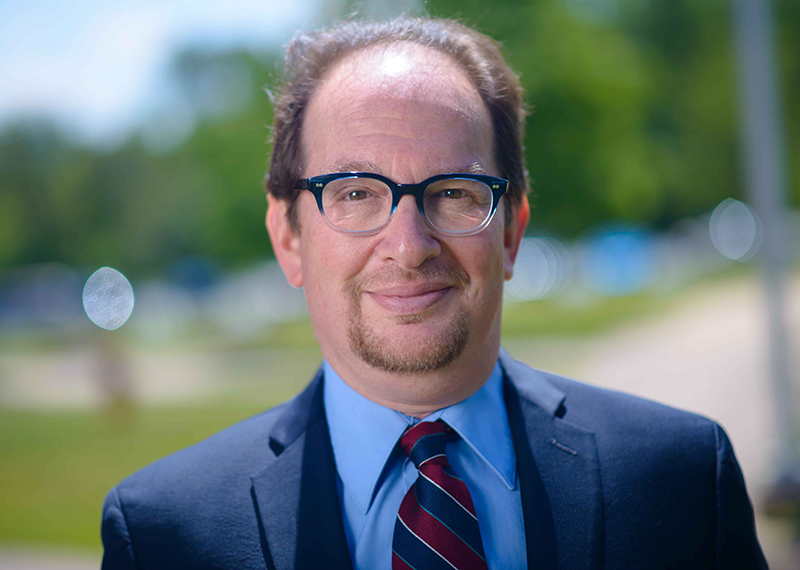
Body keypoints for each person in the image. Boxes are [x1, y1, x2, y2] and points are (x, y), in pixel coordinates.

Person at [100, 17, 768, 570]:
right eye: (357, 193)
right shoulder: (165, 533)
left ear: (510, 232)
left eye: (453, 192)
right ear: (289, 238)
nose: (410, 244)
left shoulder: (681, 482)